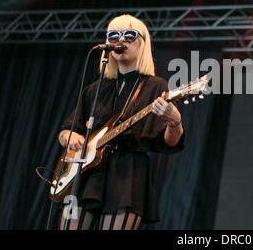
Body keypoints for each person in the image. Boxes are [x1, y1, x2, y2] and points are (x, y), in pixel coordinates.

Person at [56, 14, 185, 230]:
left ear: (143, 43)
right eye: (114, 35)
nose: (120, 40)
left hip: (126, 177)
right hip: (87, 176)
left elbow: (170, 143)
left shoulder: (155, 86)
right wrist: (71, 137)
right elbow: (66, 131)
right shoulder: (94, 89)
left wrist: (175, 122)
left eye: (129, 35)